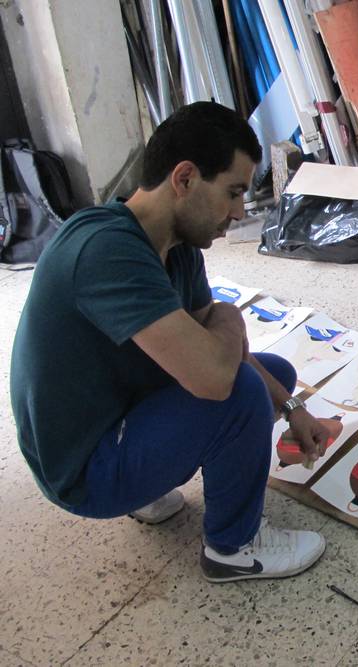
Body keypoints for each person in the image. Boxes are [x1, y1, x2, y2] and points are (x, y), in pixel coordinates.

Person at [10, 102, 339, 583]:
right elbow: (213, 373)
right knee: (237, 391)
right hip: (81, 470)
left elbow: (220, 342)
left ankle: (145, 489)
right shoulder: (107, 252)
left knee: (273, 376)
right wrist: (229, 316)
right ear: (184, 178)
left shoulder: (173, 244)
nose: (238, 212)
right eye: (232, 192)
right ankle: (233, 550)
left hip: (111, 414)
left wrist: (293, 408)